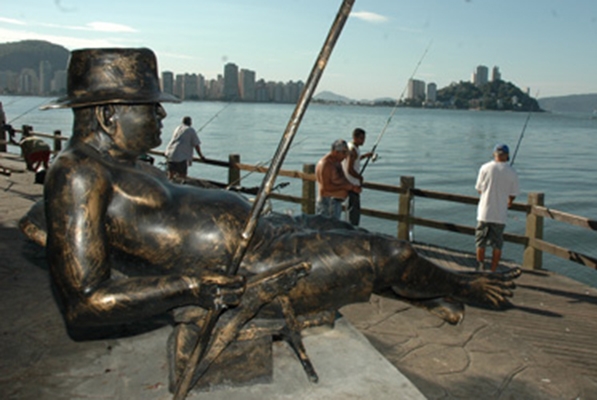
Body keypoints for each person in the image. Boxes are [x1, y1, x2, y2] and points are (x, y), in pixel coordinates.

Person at [19, 47, 519, 392]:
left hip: (269, 231)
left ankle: (431, 289)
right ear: (110, 114)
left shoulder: (121, 161)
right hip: (252, 265)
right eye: (151, 108)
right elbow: (85, 303)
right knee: (392, 254)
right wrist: (192, 287)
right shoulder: (78, 172)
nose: (163, 119)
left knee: (354, 232)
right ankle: (462, 287)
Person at [475, 144, 520, 272]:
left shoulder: (484, 168)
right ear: (507, 156)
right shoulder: (512, 172)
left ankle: (480, 268)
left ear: (494, 154)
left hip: (484, 212)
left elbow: (479, 189)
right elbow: (513, 194)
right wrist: (509, 201)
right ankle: (493, 271)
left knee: (480, 242)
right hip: (500, 215)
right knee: (497, 245)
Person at [315, 139, 361, 219]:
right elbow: (325, 187)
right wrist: (346, 187)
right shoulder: (326, 164)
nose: (345, 156)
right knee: (328, 229)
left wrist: (353, 187)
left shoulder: (337, 162)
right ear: (335, 152)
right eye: (343, 153)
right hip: (328, 203)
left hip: (336, 203)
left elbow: (342, 178)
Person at [341, 128, 373, 226]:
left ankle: (350, 228)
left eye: (364, 138)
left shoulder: (351, 147)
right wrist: (359, 177)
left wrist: (365, 156)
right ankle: (353, 230)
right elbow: (349, 169)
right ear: (355, 138)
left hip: (347, 182)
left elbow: (355, 160)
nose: (363, 140)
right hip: (352, 184)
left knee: (350, 208)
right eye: (361, 138)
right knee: (354, 210)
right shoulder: (352, 150)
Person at [164, 116, 206, 180]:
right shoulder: (190, 130)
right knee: (182, 175)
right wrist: (201, 156)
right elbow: (196, 145)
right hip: (180, 156)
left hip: (170, 153)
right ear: (190, 122)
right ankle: (180, 187)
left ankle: (170, 185)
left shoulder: (177, 128)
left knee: (171, 174)